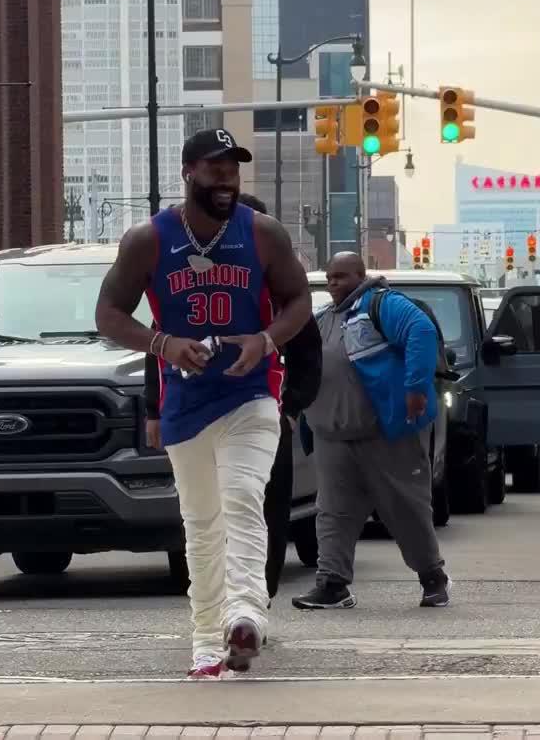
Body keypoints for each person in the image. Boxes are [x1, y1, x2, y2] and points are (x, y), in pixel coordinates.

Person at [96, 128, 311, 679]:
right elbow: (109, 314)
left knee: (242, 497)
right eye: (216, 168)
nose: (227, 178)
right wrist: (162, 343)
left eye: (233, 168)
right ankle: (206, 641)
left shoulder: (263, 234)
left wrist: (266, 340)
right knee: (201, 521)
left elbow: (298, 300)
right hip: (185, 400)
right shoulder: (150, 239)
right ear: (189, 171)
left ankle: (246, 616)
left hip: (252, 391)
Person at [143, 192, 323, 602]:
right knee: (207, 513)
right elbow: (155, 353)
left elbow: (309, 356)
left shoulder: (283, 298)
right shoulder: (180, 289)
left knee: (263, 507)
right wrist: (154, 411)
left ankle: (257, 599)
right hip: (195, 411)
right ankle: (218, 602)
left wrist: (290, 410)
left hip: (261, 410)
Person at [292, 252, 451, 612]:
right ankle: (332, 585)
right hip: (332, 435)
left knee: (406, 510)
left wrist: (415, 387)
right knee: (332, 512)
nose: (334, 283)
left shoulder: (382, 305)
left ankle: (433, 578)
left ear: (361, 275)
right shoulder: (323, 320)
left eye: (343, 277)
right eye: (330, 277)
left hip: (385, 433)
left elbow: (421, 332)